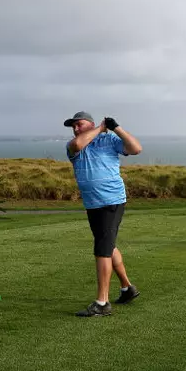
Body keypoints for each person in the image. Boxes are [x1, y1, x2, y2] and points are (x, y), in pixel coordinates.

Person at [63, 110, 143, 317]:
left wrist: (115, 127)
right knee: (107, 244)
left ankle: (102, 303)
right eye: (73, 126)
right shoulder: (73, 146)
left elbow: (136, 149)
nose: (75, 129)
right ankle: (127, 288)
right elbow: (78, 144)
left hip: (111, 200)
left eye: (79, 124)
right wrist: (100, 128)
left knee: (102, 249)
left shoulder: (110, 140)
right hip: (93, 204)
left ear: (89, 124)